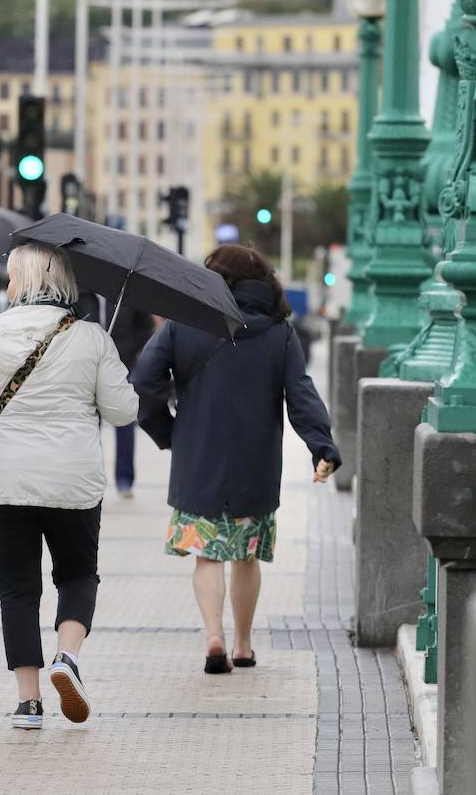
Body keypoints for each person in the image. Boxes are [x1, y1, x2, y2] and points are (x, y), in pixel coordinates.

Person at [0, 243, 138, 730]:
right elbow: (124, 411)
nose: (8, 285)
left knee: (17, 590)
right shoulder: (92, 336)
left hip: (5, 481)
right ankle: (68, 658)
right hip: (74, 480)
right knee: (77, 576)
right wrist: (108, 364)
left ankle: (28, 702)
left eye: (12, 276)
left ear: (25, 280)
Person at [131, 245, 340, 674]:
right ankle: (243, 645)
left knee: (207, 556)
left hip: (197, 459)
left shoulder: (183, 322)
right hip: (256, 462)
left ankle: (214, 637)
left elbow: (143, 382)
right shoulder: (279, 331)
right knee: (245, 557)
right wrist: (323, 447)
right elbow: (301, 394)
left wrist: (167, 433)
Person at [77, 291, 154, 499]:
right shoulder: (80, 294)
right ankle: (93, 478)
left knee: (125, 422)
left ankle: (124, 480)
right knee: (91, 425)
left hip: (122, 365)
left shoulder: (125, 294)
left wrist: (129, 350)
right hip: (88, 368)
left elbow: (145, 327)